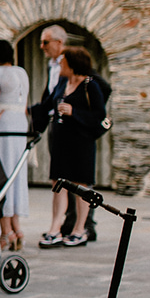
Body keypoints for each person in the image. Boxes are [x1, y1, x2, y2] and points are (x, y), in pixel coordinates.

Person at [38, 46, 108, 249]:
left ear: (72, 64)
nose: (60, 64)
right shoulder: (61, 82)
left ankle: (79, 230)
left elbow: (99, 116)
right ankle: (55, 229)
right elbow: (48, 104)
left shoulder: (90, 86)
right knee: (58, 184)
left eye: (63, 61)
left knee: (80, 186)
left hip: (81, 142)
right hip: (61, 140)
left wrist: (73, 112)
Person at [0, 39, 30, 251]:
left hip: (2, 127)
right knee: (16, 175)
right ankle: (17, 228)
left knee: (0, 175)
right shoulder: (22, 73)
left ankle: (6, 232)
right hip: (20, 125)